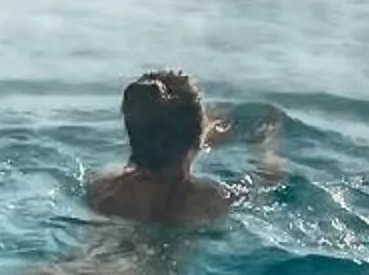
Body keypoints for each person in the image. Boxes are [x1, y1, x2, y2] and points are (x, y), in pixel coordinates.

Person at [87, 69, 284, 227]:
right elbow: (269, 178)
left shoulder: (102, 184)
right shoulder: (210, 199)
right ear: (195, 140)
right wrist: (265, 147)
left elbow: (159, 142)